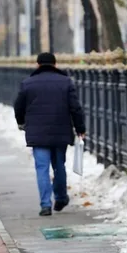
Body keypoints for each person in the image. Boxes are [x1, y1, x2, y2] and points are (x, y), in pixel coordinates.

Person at [13, 52, 86, 217]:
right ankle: (60, 198)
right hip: (60, 132)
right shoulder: (66, 82)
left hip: (37, 133)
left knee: (42, 168)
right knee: (59, 166)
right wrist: (80, 128)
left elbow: (18, 106)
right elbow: (75, 108)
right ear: (55, 64)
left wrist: (21, 122)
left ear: (38, 65)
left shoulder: (28, 83)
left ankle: (45, 205)